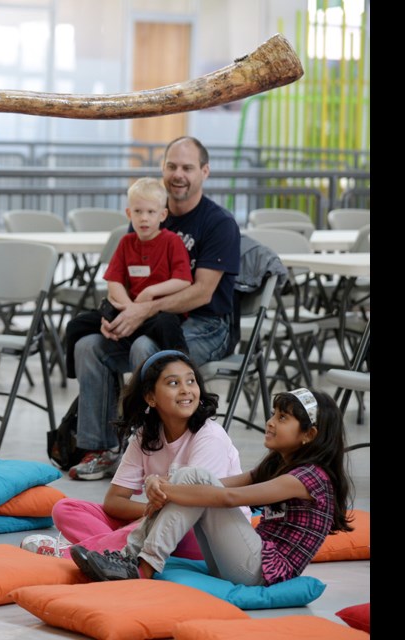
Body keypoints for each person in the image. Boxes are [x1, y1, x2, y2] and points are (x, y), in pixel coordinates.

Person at [69, 136, 241, 481]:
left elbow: (201, 293)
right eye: (172, 166)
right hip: (150, 320)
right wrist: (116, 315)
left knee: (147, 350)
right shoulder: (145, 216)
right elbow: (121, 280)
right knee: (88, 345)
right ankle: (102, 449)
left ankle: (150, 447)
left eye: (188, 168)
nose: (179, 174)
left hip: (207, 324)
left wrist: (141, 312)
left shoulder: (218, 223)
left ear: (204, 172)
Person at [71, 387, 354, 585]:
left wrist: (167, 489)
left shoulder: (308, 477)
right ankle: (129, 558)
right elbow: (215, 483)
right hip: (240, 562)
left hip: (261, 572)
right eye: (273, 414)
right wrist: (161, 484)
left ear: (309, 435)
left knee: (194, 479)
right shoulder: (277, 465)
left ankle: (141, 567)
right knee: (192, 476)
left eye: (282, 418)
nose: (269, 423)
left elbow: (230, 497)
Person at [25, 350, 243, 557]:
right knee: (66, 508)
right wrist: (148, 515)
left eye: (191, 380)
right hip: (163, 523)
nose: (186, 390)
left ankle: (74, 554)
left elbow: (190, 507)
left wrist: (148, 519)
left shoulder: (210, 436)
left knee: (156, 525)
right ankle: (113, 549)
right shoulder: (144, 436)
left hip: (205, 534)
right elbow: (114, 501)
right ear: (151, 398)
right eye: (174, 383)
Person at [64, 177, 192, 379]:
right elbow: (113, 280)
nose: (144, 218)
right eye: (138, 212)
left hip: (158, 313)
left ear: (162, 214)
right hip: (127, 309)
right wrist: (127, 309)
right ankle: (73, 375)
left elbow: (183, 280)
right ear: (129, 213)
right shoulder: (126, 242)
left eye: (151, 212)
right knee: (76, 325)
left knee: (167, 324)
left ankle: (182, 370)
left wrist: (151, 292)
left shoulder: (172, 242)